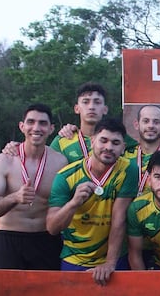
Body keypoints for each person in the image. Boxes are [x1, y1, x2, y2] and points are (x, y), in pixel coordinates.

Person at [47, 118, 139, 284]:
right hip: (75, 258)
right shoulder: (65, 176)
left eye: (115, 143)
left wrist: (110, 263)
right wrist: (73, 203)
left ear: (123, 147)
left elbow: (118, 220)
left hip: (114, 257)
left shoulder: (129, 169)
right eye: (103, 140)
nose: (109, 147)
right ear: (92, 141)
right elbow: (52, 228)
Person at [0, 104, 68, 269]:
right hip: (9, 239)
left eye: (42, 123)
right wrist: (15, 197)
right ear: (22, 126)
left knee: (47, 294)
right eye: (31, 122)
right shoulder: (3, 161)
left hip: (46, 240)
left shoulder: (60, 162)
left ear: (51, 128)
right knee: (5, 295)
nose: (36, 128)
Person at [122, 105, 160, 194]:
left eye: (156, 122)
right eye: (146, 121)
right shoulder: (124, 155)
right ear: (136, 124)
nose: (151, 126)